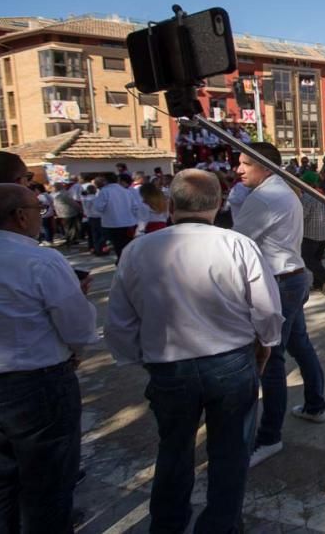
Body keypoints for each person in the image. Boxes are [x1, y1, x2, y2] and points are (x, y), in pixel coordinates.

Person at [105, 170, 283, 533]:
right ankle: (220, 525)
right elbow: (267, 309)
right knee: (230, 452)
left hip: (171, 366)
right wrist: (265, 345)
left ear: (171, 206)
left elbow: (120, 322)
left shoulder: (138, 250)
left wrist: (142, 358)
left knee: (173, 449)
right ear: (218, 205)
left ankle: (168, 524)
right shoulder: (237, 245)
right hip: (230, 363)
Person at [0, 183, 98, 532]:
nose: (41, 217)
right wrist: (75, 352)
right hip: (36, 382)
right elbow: (78, 327)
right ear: (20, 215)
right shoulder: (40, 259)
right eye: (37, 210)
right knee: (48, 482)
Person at [235, 142, 325, 466]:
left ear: (264, 165)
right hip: (292, 277)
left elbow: (237, 242)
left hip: (279, 282)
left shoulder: (265, 196)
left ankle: (269, 437)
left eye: (245, 163)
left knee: (270, 358)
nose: (239, 169)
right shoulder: (282, 190)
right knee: (299, 344)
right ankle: (315, 404)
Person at [300, 171, 325, 294]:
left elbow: (302, 215)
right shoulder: (322, 194)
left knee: (307, 258)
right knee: (316, 259)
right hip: (324, 232)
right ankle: (318, 284)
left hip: (311, 234)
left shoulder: (307, 197)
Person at [94, 171, 141, 263]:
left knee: (117, 246)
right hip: (128, 223)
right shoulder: (126, 191)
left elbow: (98, 207)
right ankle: (128, 262)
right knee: (127, 245)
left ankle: (122, 263)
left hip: (112, 224)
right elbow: (135, 207)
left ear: (105, 181)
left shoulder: (105, 191)